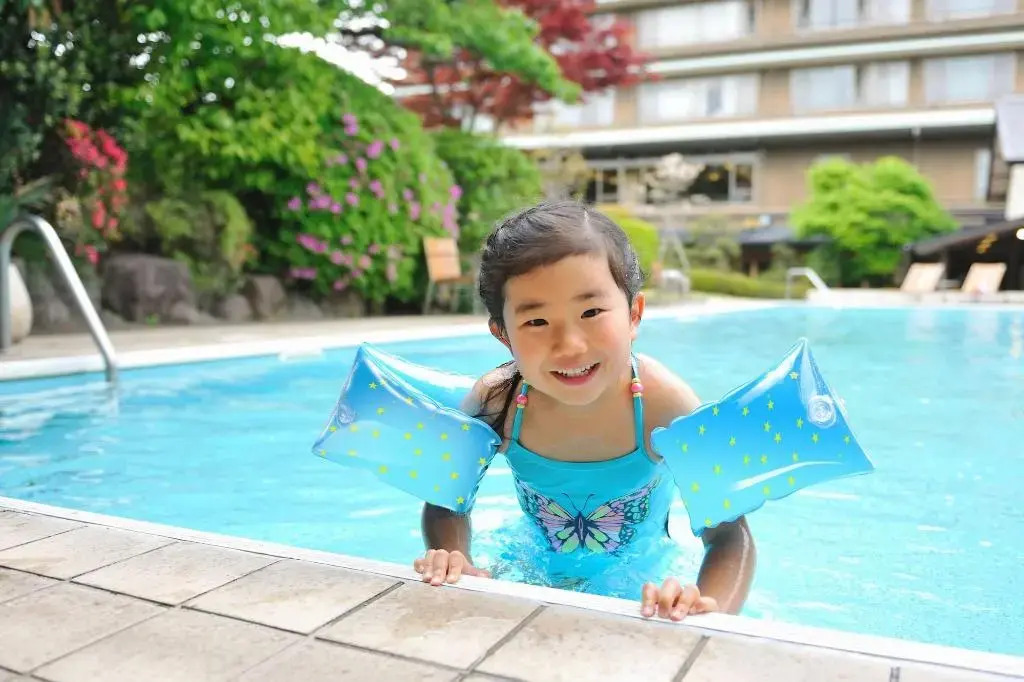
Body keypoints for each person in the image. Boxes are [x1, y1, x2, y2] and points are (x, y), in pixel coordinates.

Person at [412, 200, 756, 621]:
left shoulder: (662, 406)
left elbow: (729, 535)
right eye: (537, 322)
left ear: (634, 315)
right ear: (503, 335)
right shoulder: (498, 402)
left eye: (591, 312)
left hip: (644, 586)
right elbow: (447, 501)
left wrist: (709, 608)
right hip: (531, 569)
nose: (570, 345)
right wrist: (455, 556)